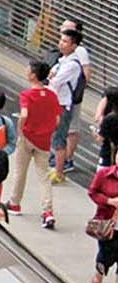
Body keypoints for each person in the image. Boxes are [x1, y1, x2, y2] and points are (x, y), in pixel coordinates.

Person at [6, 59, 61, 229]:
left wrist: (21, 131)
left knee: (20, 172)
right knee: (44, 176)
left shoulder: (27, 95)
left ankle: (15, 203)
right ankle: (47, 211)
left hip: (27, 138)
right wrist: (47, 130)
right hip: (44, 141)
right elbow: (57, 119)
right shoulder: (52, 95)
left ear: (33, 75)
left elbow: (24, 114)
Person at [49, 25, 89, 184]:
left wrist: (52, 77)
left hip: (63, 105)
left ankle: (59, 172)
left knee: (60, 138)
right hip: (56, 103)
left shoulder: (72, 64)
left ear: (74, 46)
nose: (61, 43)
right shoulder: (62, 61)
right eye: (61, 40)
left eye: (66, 41)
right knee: (54, 137)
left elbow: (55, 82)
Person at [88, 161, 118, 283]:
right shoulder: (105, 174)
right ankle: (97, 277)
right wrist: (109, 201)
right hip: (106, 222)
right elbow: (92, 192)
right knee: (104, 253)